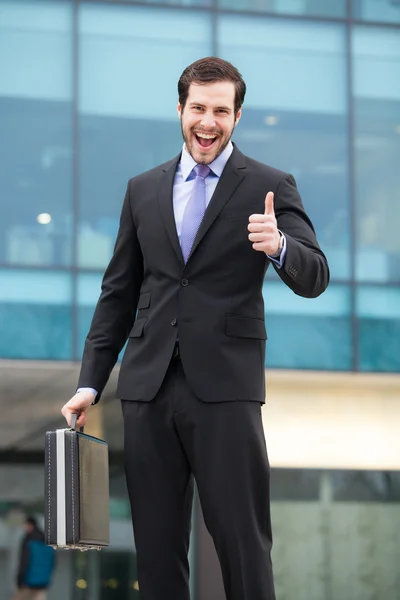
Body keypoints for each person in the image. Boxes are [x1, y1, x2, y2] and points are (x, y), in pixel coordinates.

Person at [61, 57, 329, 600]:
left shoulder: (270, 186)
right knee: (156, 549)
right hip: (147, 389)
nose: (209, 122)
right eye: (199, 109)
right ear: (180, 109)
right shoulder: (143, 189)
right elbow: (119, 292)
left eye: (222, 111)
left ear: (237, 117)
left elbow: (316, 275)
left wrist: (278, 246)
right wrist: (91, 380)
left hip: (226, 390)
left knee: (242, 541)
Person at [13, 516, 55, 600]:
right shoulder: (47, 541)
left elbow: (24, 561)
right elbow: (53, 562)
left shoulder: (28, 540)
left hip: (28, 580)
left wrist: (19, 580)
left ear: (30, 525)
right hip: (43, 581)